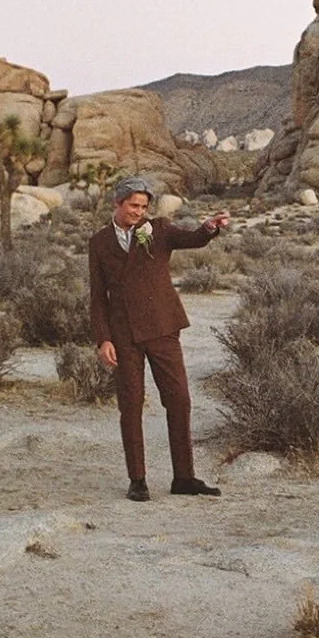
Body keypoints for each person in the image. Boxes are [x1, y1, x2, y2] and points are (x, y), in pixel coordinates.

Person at [89, 176, 231, 502]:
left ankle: (184, 476)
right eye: (133, 205)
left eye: (143, 206)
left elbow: (192, 238)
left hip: (163, 329)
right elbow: (98, 297)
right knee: (131, 405)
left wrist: (209, 228)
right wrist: (103, 339)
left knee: (179, 400)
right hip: (124, 335)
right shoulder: (98, 243)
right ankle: (137, 479)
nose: (139, 212)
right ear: (118, 204)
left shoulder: (161, 229)